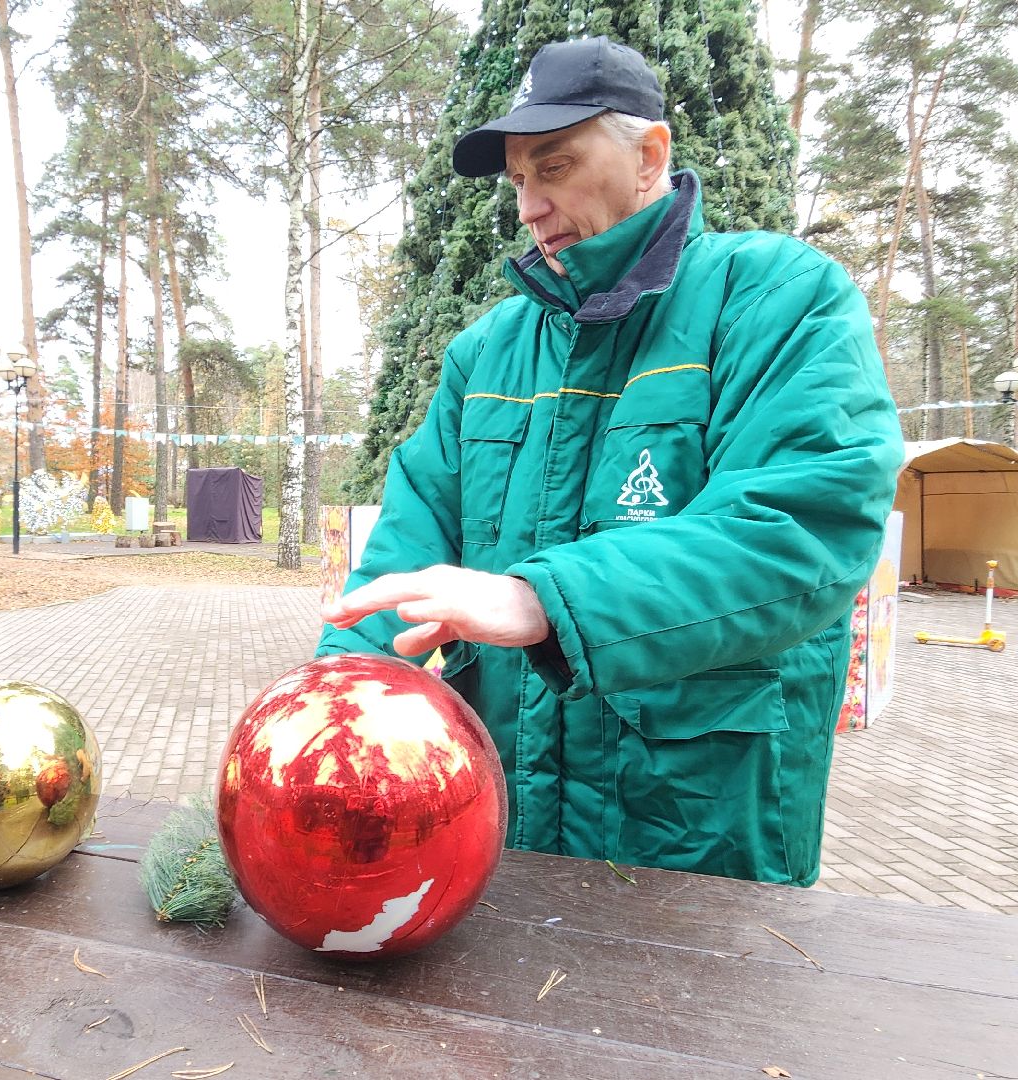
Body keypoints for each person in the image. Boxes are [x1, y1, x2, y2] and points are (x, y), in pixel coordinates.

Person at [319, 37, 903, 887]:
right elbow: (404, 556)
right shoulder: (487, 354)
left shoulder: (778, 298)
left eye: (553, 166)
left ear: (649, 154)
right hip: (504, 822)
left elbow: (800, 528)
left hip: (696, 829)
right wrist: (326, 713)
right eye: (517, 179)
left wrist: (542, 597)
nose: (529, 206)